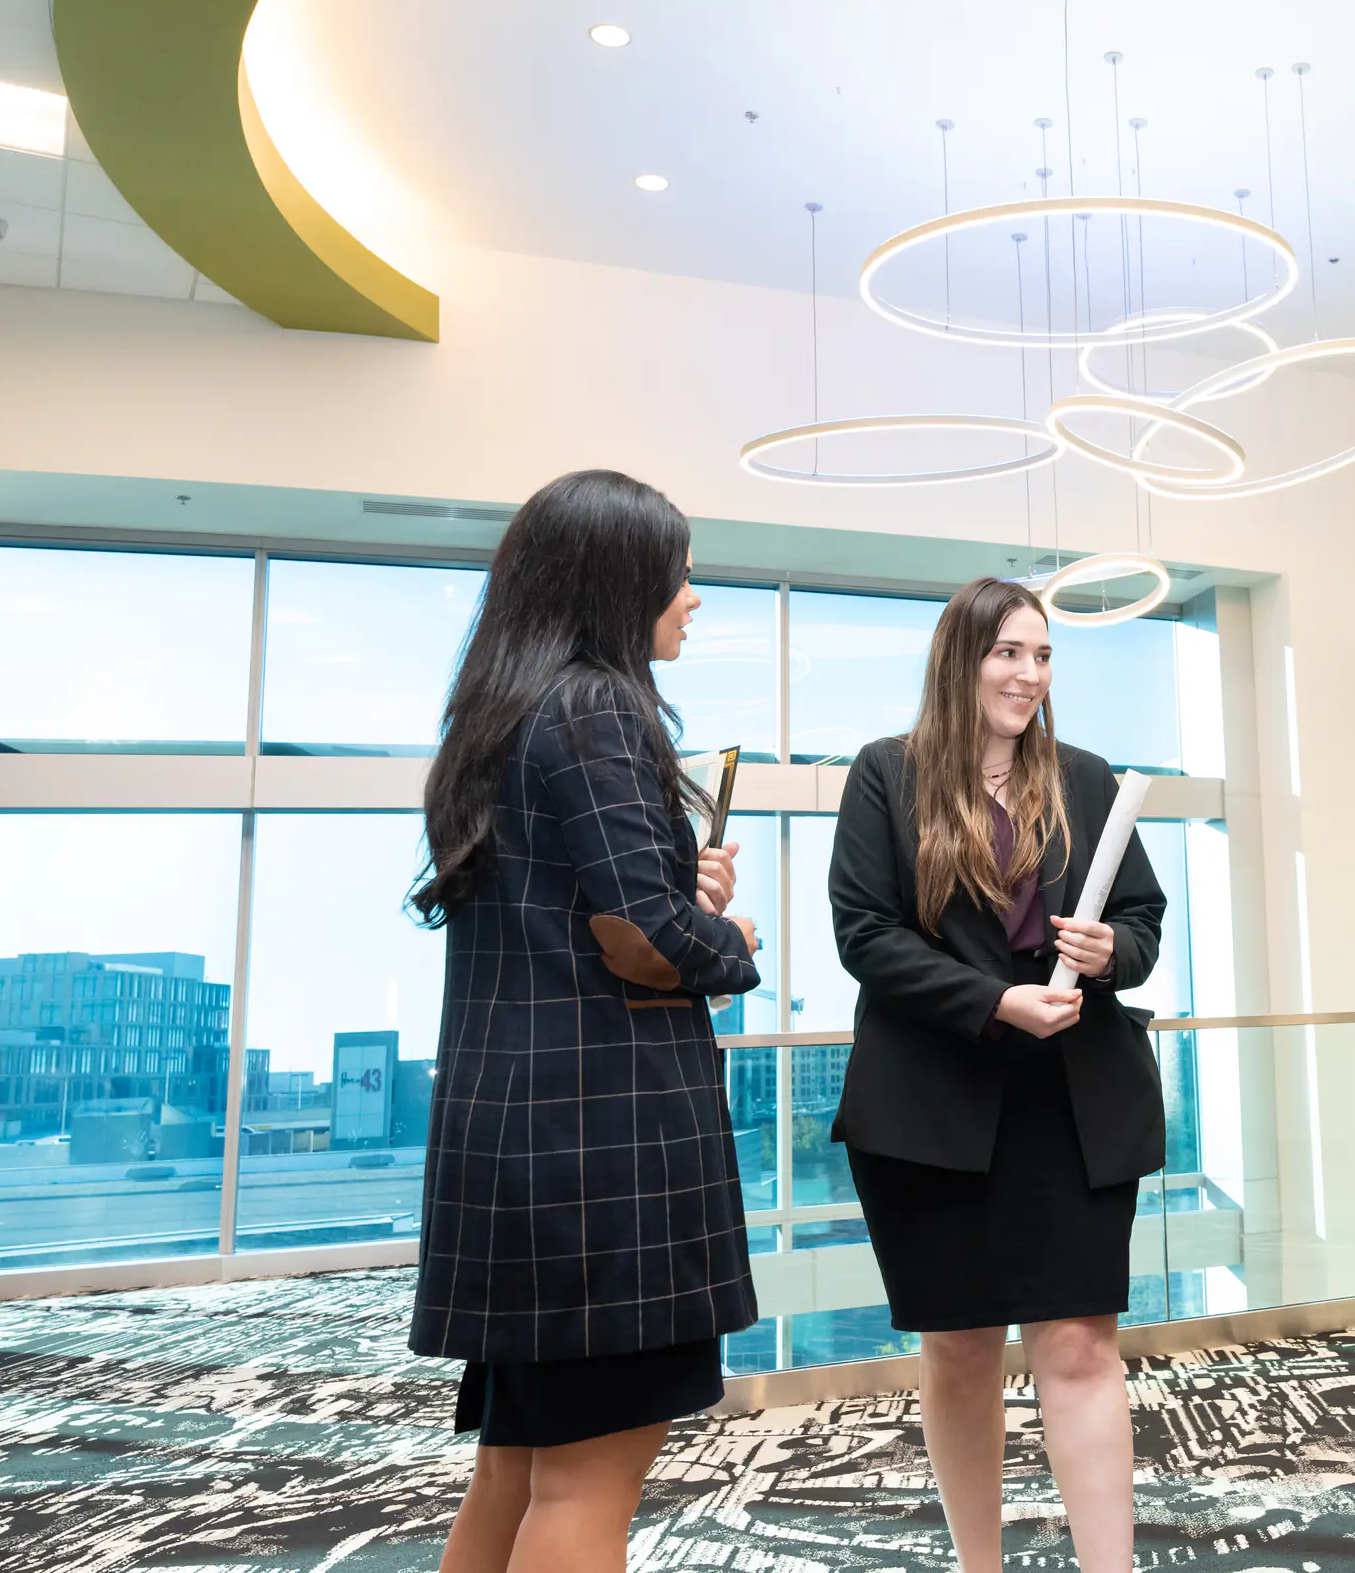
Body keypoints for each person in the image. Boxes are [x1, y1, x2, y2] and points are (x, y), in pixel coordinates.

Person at [407, 469, 763, 1573]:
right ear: (618, 582)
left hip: (518, 1147)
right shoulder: (599, 704)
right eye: (679, 573)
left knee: (517, 1471)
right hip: (599, 1154)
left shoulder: (503, 709)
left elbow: (581, 911)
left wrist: (671, 893)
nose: (693, 596)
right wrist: (733, 944)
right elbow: (639, 938)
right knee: (585, 1485)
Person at [826, 575, 1167, 1573]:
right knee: (963, 1348)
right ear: (961, 660)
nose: (1028, 674)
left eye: (1043, 655)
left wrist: (1110, 952)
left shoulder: (1090, 779)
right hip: (932, 1107)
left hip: (1073, 1103)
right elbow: (865, 935)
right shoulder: (886, 775)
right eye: (1008, 653)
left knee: (1078, 1346)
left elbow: (1143, 921)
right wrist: (990, 1002)